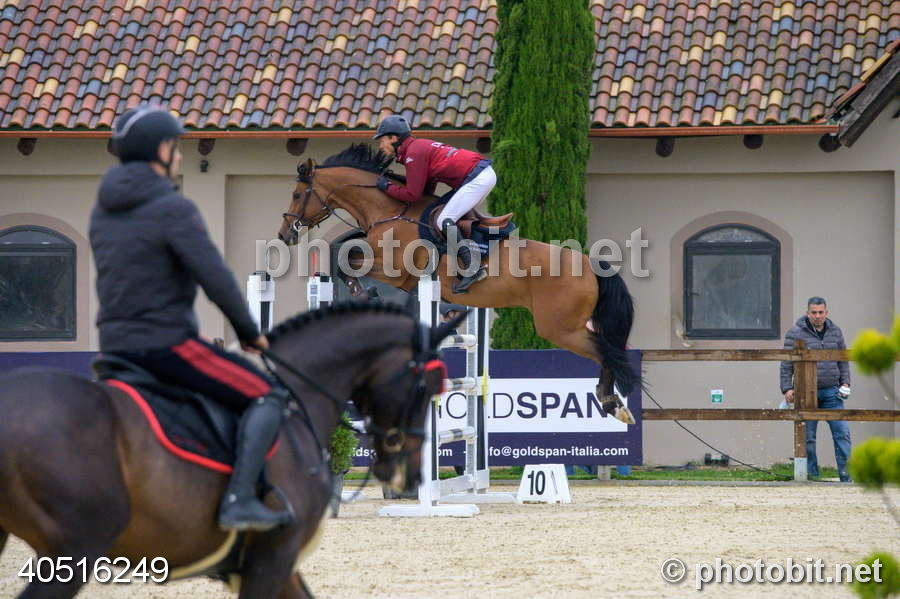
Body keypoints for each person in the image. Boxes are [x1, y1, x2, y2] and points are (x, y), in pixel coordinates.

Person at [90, 103, 294, 530]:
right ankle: (239, 499)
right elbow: (215, 278)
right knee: (267, 394)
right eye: (175, 147)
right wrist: (250, 333)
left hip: (113, 346)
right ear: (159, 150)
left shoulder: (103, 210)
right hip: (167, 345)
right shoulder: (172, 208)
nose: (180, 156)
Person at [372, 114, 495, 294]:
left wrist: (386, 187)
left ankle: (473, 268)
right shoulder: (415, 148)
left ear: (394, 138)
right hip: (478, 175)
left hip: (477, 178)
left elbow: (413, 195)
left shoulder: (413, 153)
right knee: (441, 214)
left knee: (443, 220)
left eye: (382, 141)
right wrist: (397, 180)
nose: (381, 146)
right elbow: (425, 188)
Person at [779, 297, 852, 482]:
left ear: (826, 313)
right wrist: (787, 388)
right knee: (807, 437)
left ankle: (847, 477)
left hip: (832, 392)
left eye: (821, 312)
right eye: (814, 312)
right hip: (806, 392)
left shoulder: (835, 331)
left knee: (842, 434)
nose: (817, 316)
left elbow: (843, 359)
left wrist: (845, 383)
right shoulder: (795, 332)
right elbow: (786, 363)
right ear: (807, 313)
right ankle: (812, 477)